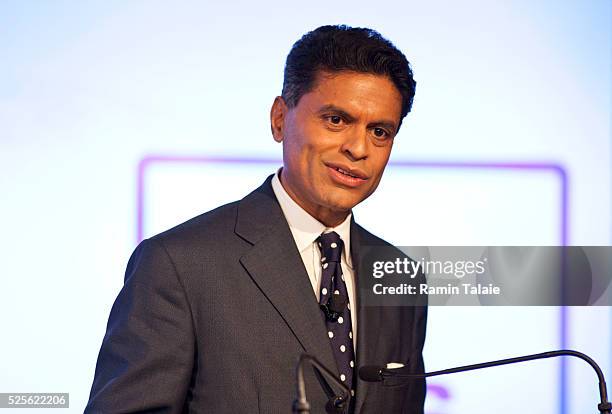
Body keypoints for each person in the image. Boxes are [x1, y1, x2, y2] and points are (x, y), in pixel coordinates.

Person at [86, 24, 427, 414]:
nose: (357, 148)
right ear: (280, 118)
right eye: (336, 120)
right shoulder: (178, 264)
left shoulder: (401, 275)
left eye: (380, 131)